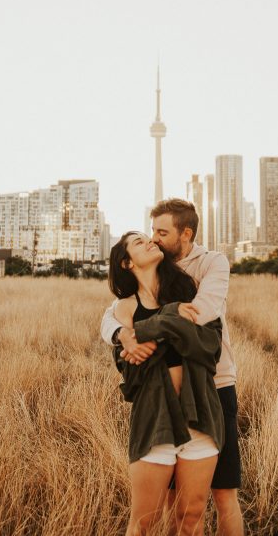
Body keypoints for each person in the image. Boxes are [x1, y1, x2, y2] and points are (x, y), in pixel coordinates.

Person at [102, 199, 245, 536]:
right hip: (157, 413)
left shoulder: (204, 270)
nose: (154, 239)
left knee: (213, 501)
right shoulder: (126, 306)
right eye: (148, 235)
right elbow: (115, 333)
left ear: (186, 233)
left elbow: (203, 323)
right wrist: (123, 337)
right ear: (126, 262)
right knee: (154, 515)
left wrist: (147, 331)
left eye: (160, 233)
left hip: (210, 393)